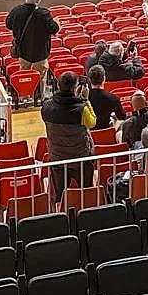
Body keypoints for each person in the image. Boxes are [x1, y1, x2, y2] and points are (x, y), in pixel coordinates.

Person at [41, 72, 95, 203]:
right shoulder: (82, 109)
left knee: (60, 194)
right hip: (81, 157)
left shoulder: (46, 107)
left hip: (57, 158)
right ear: (74, 88)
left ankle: (61, 209)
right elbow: (92, 123)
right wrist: (85, 100)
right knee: (86, 190)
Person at [5, 0, 60, 89]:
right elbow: (54, 29)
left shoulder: (16, 11)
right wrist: (57, 23)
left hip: (23, 53)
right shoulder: (44, 14)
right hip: (40, 55)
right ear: (38, 0)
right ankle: (40, 96)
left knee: (25, 79)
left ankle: (26, 95)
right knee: (40, 79)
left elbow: (8, 25)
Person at [85, 65, 126, 131]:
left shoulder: (83, 98)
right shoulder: (113, 98)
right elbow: (122, 117)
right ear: (104, 78)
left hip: (89, 133)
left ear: (89, 79)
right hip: (107, 132)